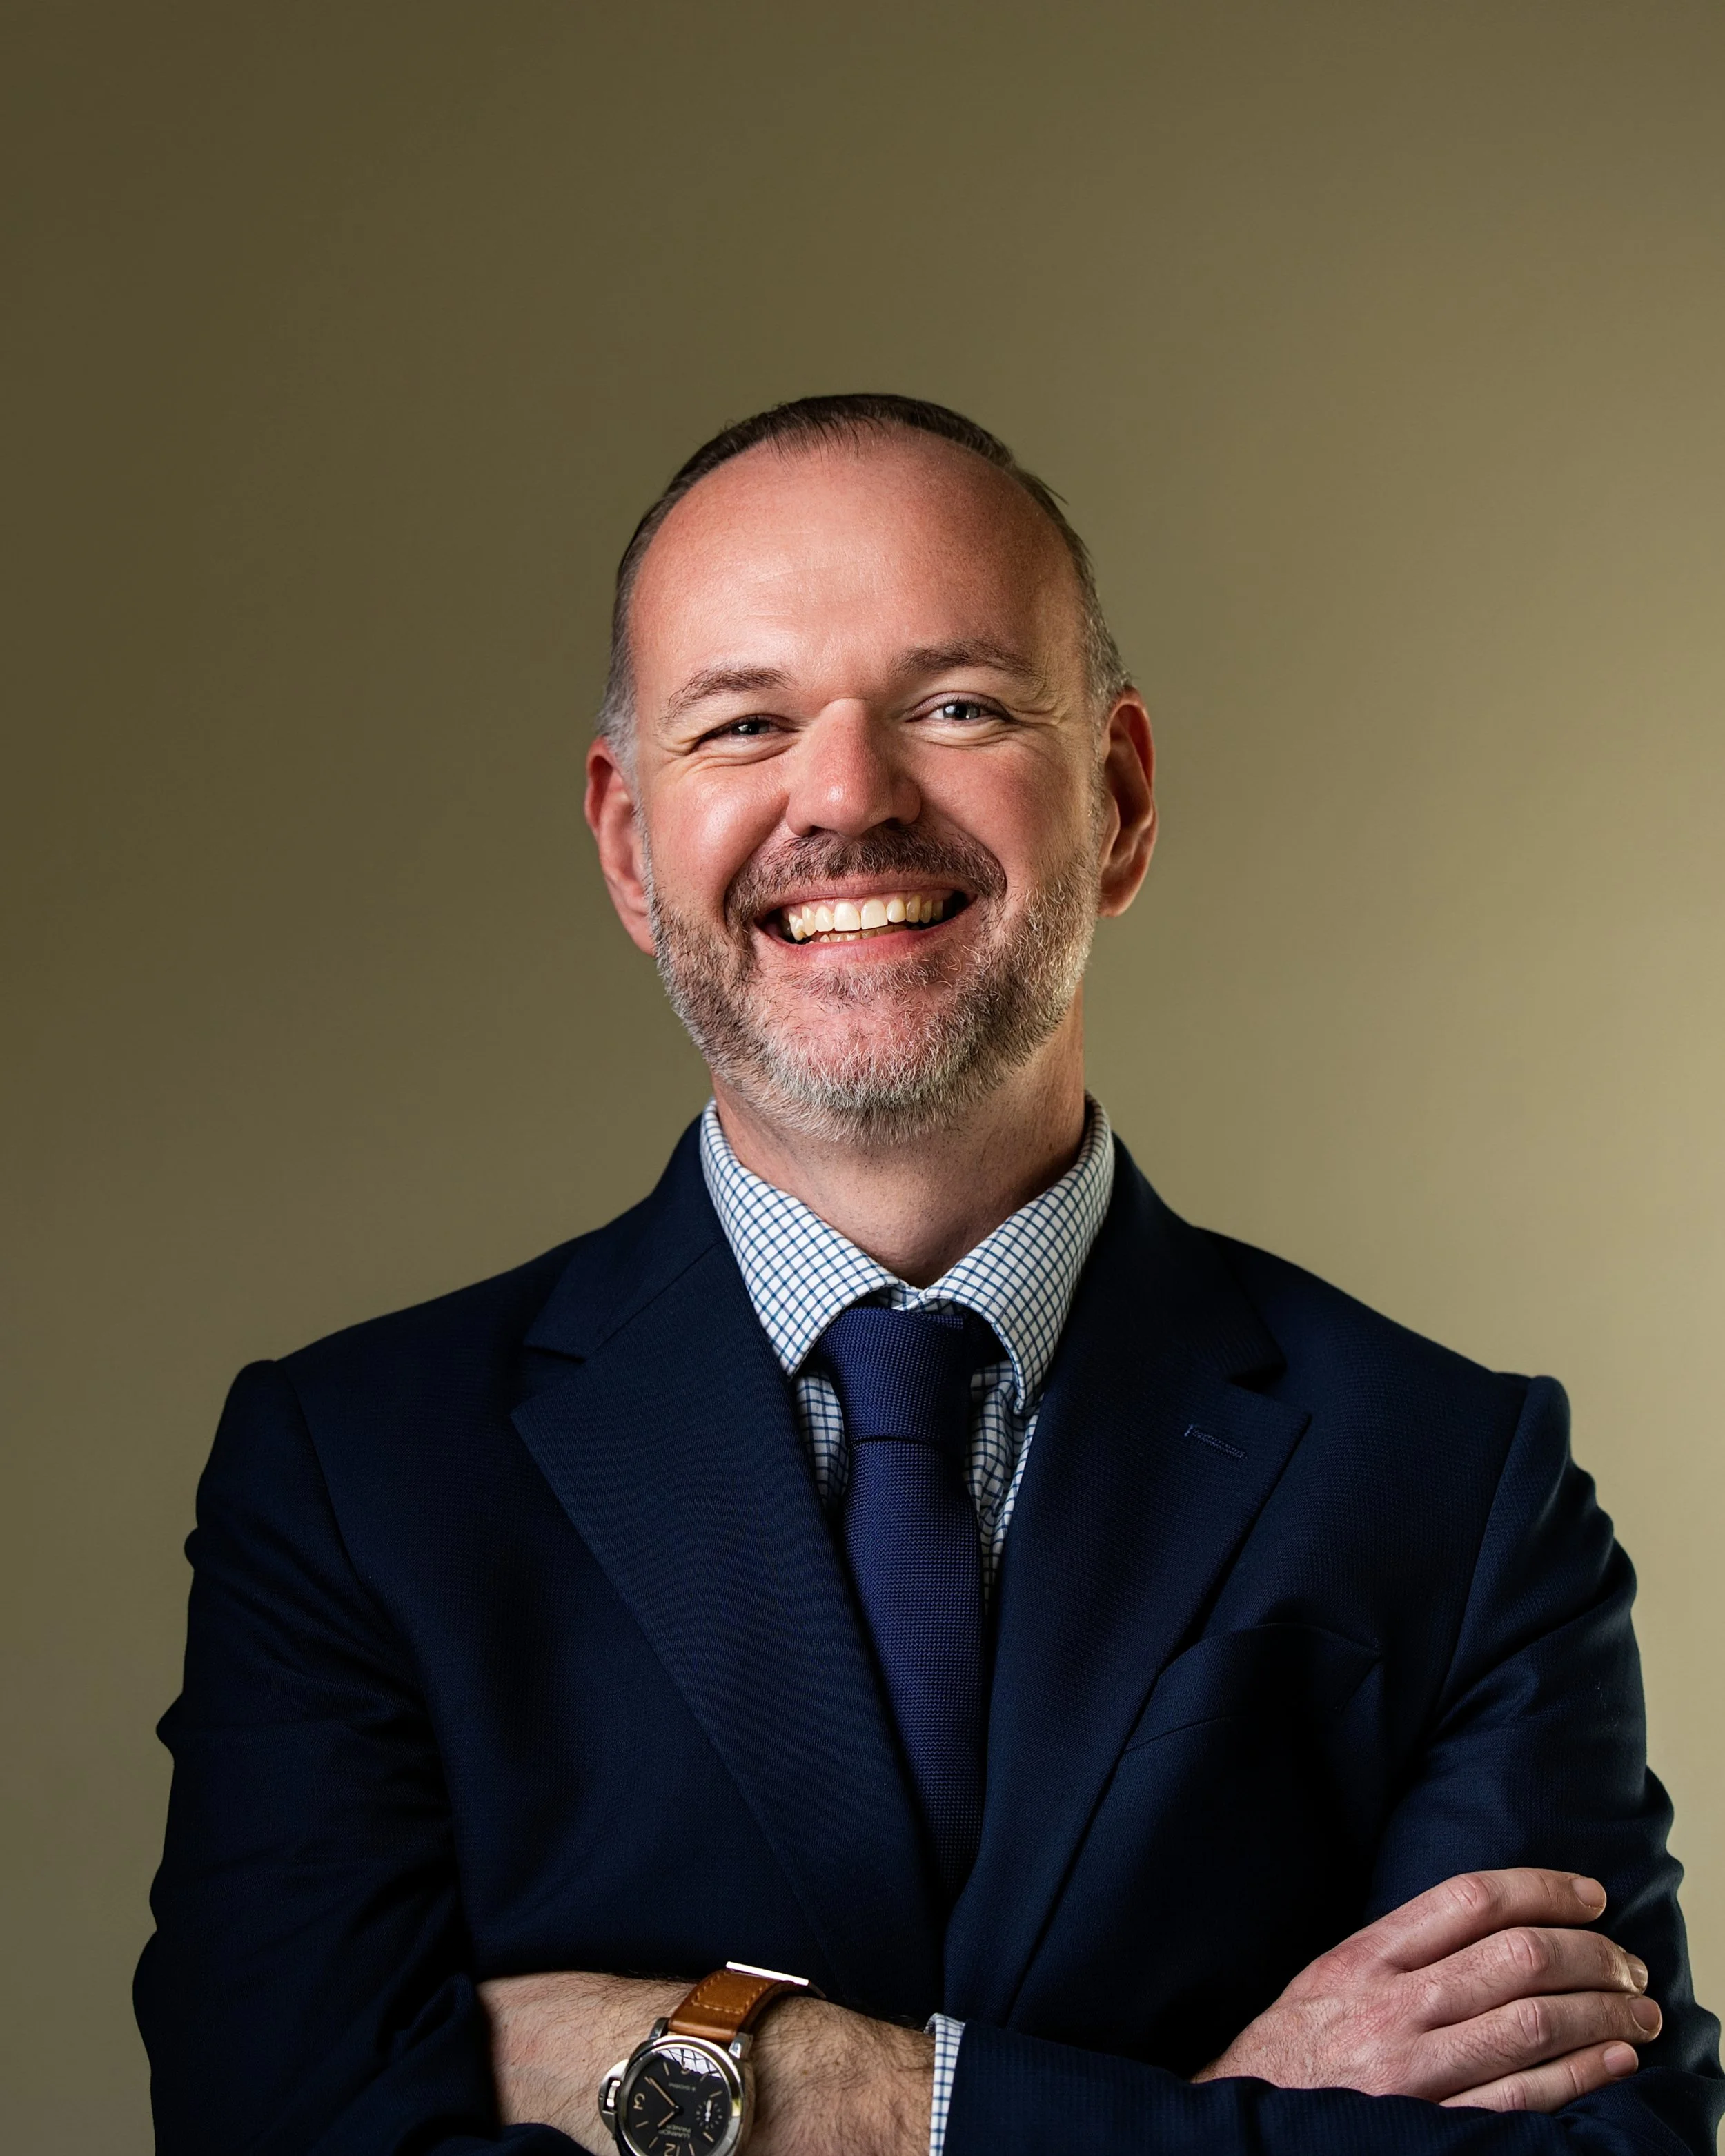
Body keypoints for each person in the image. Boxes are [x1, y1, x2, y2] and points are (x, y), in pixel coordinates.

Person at [136, 394, 1722, 2156]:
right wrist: (1211, 2122)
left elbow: (1608, 2155)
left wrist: (844, 2094)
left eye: (954, 705)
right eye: (743, 723)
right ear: (626, 847)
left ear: (1116, 797)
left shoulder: (1456, 1482)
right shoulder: (355, 1476)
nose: (846, 796)